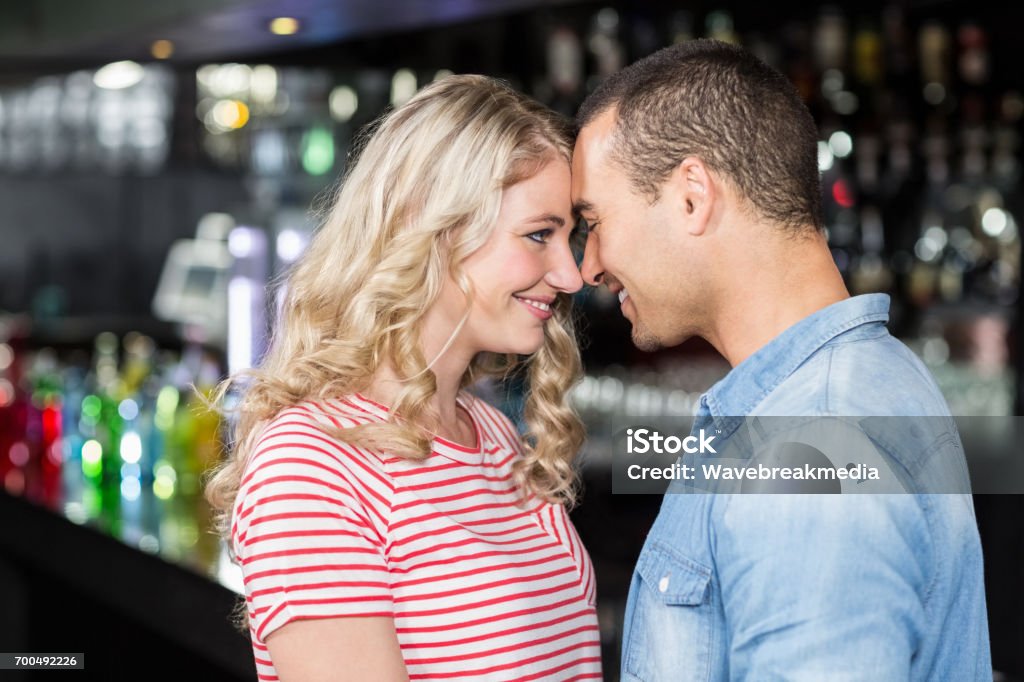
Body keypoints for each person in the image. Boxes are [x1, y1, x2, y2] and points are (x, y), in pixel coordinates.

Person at [571, 40, 991, 680]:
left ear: (692, 196)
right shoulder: (869, 377)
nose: (588, 265)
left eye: (595, 221)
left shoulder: (811, 444)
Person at [205, 75, 602, 681]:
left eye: (568, 237)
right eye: (538, 235)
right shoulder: (314, 466)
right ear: (433, 227)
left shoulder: (491, 435)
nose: (571, 276)